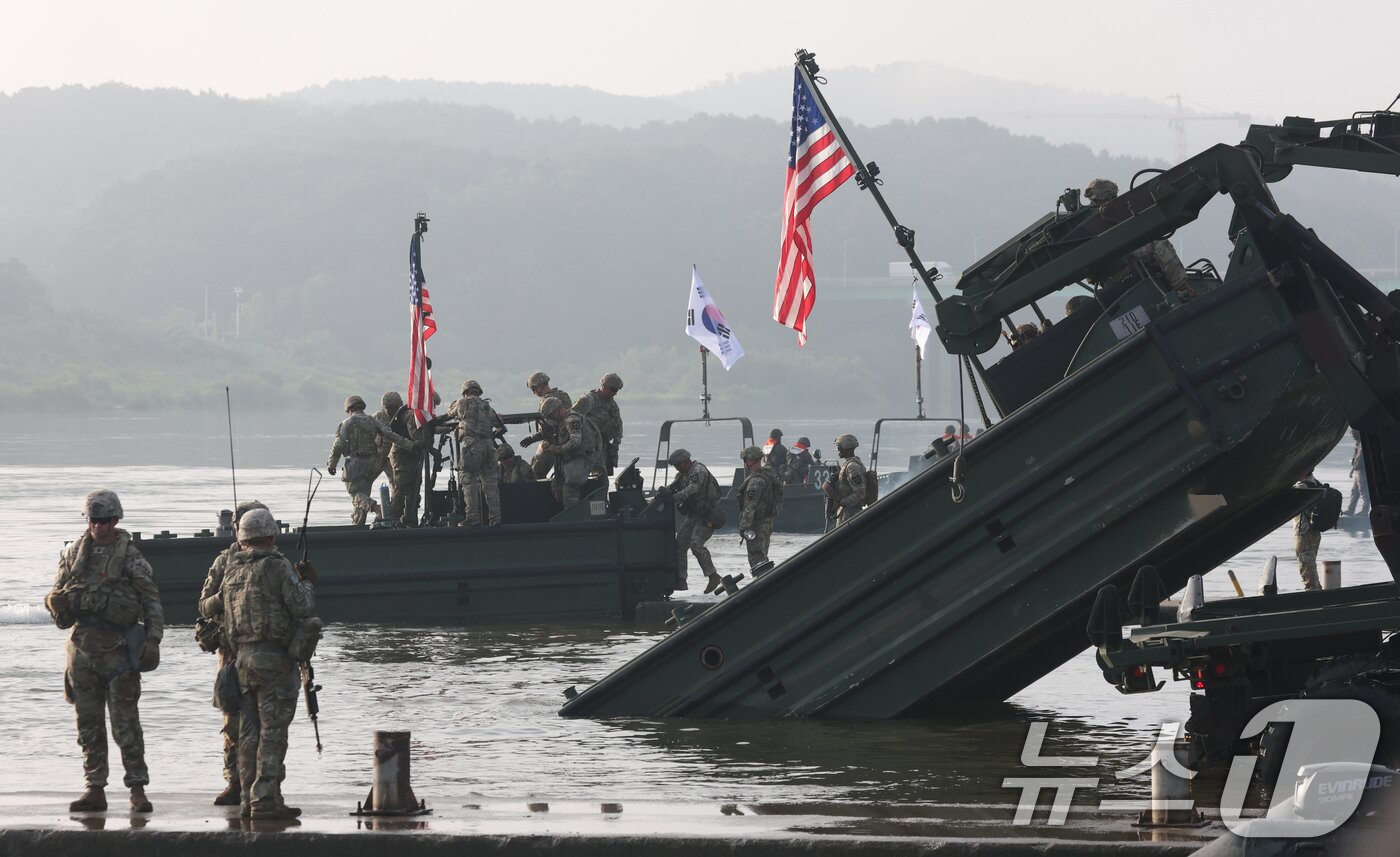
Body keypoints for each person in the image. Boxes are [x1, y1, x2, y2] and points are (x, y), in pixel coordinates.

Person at [45, 489, 163, 813]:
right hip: (82, 650)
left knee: (126, 726)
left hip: (118, 651)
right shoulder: (73, 554)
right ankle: (94, 787)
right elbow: (58, 592)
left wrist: (153, 639)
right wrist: (54, 602)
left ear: (115, 520)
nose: (98, 526)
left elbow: (151, 599)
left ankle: (137, 789)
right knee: (88, 725)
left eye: (105, 520)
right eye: (93, 520)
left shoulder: (130, 557)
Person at [219, 508, 318, 820]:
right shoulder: (277, 566)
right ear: (272, 537)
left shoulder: (231, 571)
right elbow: (301, 606)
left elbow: (225, 620)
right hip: (274, 662)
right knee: (273, 731)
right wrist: (307, 582)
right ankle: (265, 801)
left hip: (242, 661)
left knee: (248, 734)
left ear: (242, 539)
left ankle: (248, 801)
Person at [197, 499, 267, 807]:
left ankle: (262, 784)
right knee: (232, 722)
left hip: (262, 649)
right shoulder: (224, 561)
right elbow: (204, 604)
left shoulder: (271, 561)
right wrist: (226, 596)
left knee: (265, 722)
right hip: (230, 651)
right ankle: (234, 782)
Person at [1084, 178, 1194, 299]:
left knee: (1155, 240)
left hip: (1122, 258)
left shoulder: (1098, 216)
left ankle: (1175, 283)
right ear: (1100, 198)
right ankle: (1181, 287)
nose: (1114, 200)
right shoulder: (1095, 219)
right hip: (1117, 265)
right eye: (1111, 197)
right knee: (1158, 245)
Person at [326, 395, 415, 525]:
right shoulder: (372, 421)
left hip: (355, 464)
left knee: (356, 495)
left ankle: (377, 508)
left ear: (349, 409)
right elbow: (391, 435)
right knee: (363, 496)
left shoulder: (347, 423)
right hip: (372, 463)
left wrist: (331, 464)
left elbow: (338, 444)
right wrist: (410, 446)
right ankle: (358, 525)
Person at [659, 449, 722, 593]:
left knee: (695, 544)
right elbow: (674, 486)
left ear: (685, 461)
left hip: (706, 515)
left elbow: (692, 489)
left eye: (678, 465)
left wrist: (673, 498)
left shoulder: (698, 471)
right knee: (680, 544)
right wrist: (665, 491)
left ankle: (713, 575)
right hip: (694, 515)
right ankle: (681, 579)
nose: (677, 468)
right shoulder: (683, 474)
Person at [453, 380, 503, 526]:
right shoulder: (487, 406)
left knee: (468, 480)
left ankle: (473, 517)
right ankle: (495, 518)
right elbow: (499, 424)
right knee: (491, 484)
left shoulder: (462, 403)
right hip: (489, 447)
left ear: (465, 392)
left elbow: (450, 413)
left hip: (473, 446)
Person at [542, 396, 600, 509]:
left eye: (550, 415)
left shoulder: (571, 419)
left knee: (570, 485)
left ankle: (572, 511)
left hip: (582, 458)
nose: (550, 418)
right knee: (556, 484)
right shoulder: (561, 421)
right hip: (571, 458)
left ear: (556, 410)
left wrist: (557, 449)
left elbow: (575, 441)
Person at [737, 446, 784, 571]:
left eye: (745, 460)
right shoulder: (768, 475)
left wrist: (744, 527)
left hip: (756, 526)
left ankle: (763, 579)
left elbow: (749, 506)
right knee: (763, 556)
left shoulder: (755, 482)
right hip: (766, 524)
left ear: (750, 460)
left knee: (756, 559)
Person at [573, 373, 624, 475]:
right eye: (613, 390)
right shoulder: (588, 400)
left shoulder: (612, 404)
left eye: (617, 391)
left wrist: (615, 445)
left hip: (604, 445)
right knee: (597, 475)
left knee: (602, 475)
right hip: (589, 446)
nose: (615, 393)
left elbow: (618, 424)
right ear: (604, 386)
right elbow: (572, 418)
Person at [526, 372, 572, 478]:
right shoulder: (562, 395)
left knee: (534, 474)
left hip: (554, 441)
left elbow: (549, 426)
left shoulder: (547, 400)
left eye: (534, 389)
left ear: (542, 385)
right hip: (562, 440)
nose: (534, 392)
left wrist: (533, 438)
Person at [829, 434, 868, 525]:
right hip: (847, 510)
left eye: (839, 448)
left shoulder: (852, 467)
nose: (838, 450)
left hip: (850, 513)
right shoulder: (849, 464)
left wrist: (842, 502)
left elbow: (860, 493)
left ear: (846, 448)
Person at [1294, 473, 1323, 591]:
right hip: (1315, 531)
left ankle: (1312, 591)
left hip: (1304, 532)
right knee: (1311, 563)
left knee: (1306, 564)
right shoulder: (1316, 483)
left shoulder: (1302, 487)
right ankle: (1316, 588)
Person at [373, 391, 403, 486]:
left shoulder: (401, 418)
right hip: (377, 457)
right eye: (389, 408)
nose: (392, 411)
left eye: (395, 408)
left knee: (396, 485)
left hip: (393, 459)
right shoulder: (377, 417)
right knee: (365, 483)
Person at [1348, 429, 1370, 517]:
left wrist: (1354, 468)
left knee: (1364, 491)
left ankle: (1364, 511)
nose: (1352, 436)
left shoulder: (1363, 443)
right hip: (1358, 470)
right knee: (1355, 491)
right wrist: (1352, 470)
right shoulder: (1358, 443)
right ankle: (1351, 509)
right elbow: (1356, 458)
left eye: (1354, 433)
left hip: (1362, 471)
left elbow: (1360, 458)